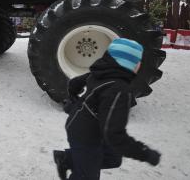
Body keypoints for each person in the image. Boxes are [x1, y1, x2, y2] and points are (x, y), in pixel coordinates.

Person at [53, 38, 161, 180]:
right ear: (131, 64)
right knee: (86, 175)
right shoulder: (119, 90)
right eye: (137, 60)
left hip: (88, 124)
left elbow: (74, 83)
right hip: (84, 134)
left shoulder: (100, 73)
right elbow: (114, 135)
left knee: (113, 158)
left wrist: (74, 99)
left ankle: (67, 159)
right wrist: (145, 153)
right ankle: (78, 164)